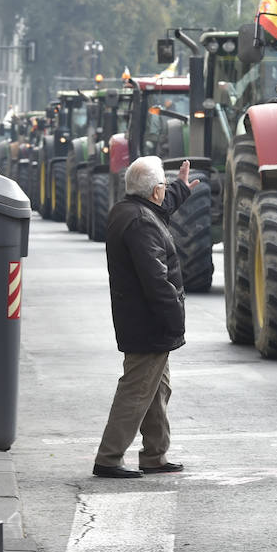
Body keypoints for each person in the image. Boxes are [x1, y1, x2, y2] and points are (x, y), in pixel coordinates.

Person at [92, 156, 191, 479]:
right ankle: (109, 457)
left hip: (140, 320)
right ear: (155, 191)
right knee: (137, 390)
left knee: (157, 389)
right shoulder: (142, 223)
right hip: (148, 322)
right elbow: (156, 280)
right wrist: (175, 319)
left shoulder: (129, 211)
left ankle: (155, 455)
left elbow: (156, 206)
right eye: (164, 186)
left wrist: (179, 189)